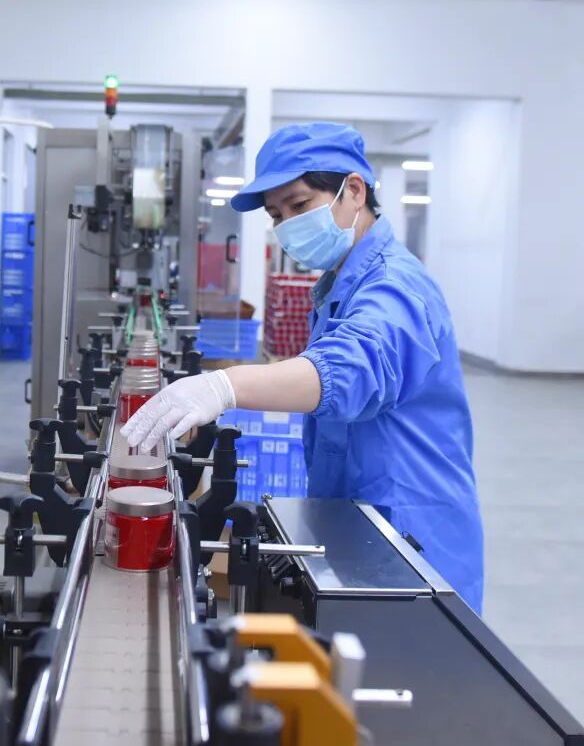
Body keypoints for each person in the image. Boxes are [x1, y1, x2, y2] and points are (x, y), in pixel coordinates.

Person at [121, 122, 484, 612]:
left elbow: (350, 371)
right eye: (276, 215)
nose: (287, 225)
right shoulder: (343, 284)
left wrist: (224, 386)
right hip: (359, 521)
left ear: (354, 191)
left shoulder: (395, 285)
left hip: (412, 538)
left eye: (298, 205)